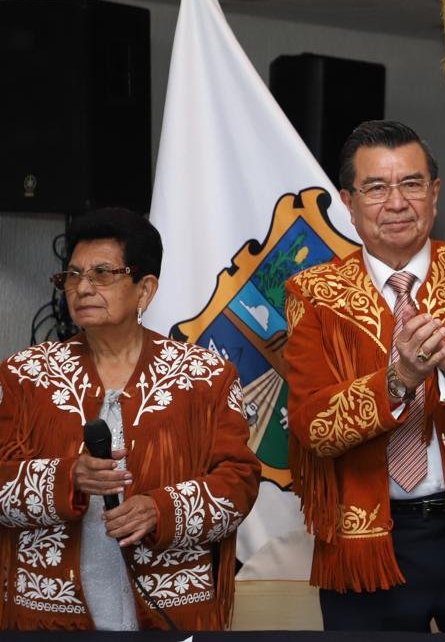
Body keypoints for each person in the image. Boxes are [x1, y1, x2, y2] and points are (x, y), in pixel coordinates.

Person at [285, 120, 445, 632]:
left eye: (412, 184)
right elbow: (314, 426)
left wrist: (443, 358)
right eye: (376, 188)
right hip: (368, 541)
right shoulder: (313, 294)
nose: (397, 203)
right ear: (348, 202)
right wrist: (398, 379)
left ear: (435, 193)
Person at [0, 207, 260, 631]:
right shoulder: (24, 375)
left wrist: (162, 509)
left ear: (145, 289)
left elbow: (239, 483)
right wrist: (67, 477)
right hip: (47, 613)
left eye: (102, 273)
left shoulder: (205, 376)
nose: (83, 287)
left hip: (170, 608)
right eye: (72, 275)